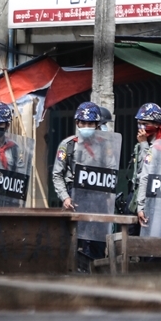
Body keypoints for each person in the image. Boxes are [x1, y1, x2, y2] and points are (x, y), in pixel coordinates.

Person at [53, 101, 121, 271]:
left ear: (97, 125)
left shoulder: (106, 146)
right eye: (83, 123)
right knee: (75, 243)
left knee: (98, 244)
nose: (86, 126)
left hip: (98, 200)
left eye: (90, 123)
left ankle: (97, 284)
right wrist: (65, 197)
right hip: (74, 199)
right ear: (77, 123)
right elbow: (57, 174)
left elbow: (112, 171)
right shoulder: (68, 145)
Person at [124, 102, 161, 219]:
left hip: (151, 197)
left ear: (156, 124)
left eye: (145, 124)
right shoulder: (140, 145)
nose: (141, 127)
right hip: (135, 196)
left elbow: (149, 168)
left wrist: (144, 144)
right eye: (139, 124)